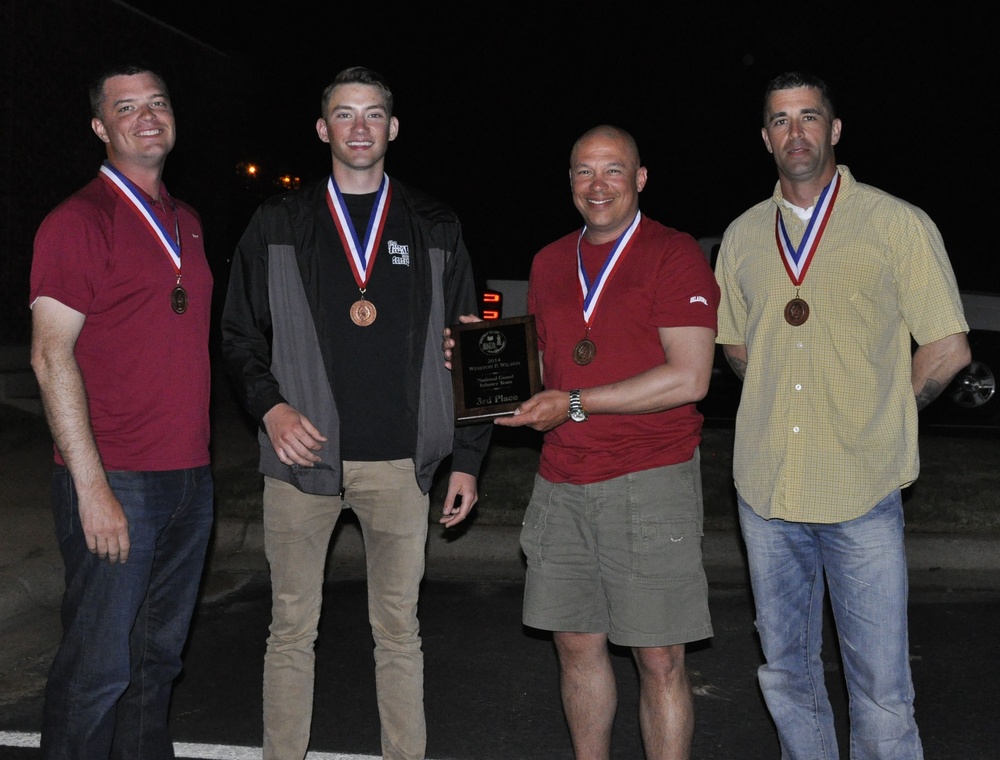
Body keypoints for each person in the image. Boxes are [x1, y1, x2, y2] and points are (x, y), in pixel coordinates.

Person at [220, 65, 490, 760]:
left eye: (373, 115)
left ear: (393, 128)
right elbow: (237, 334)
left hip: (402, 463)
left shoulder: (435, 225)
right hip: (300, 461)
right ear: (322, 129)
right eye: (345, 114)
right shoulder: (279, 222)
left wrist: (467, 458)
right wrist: (271, 409)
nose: (360, 127)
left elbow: (474, 352)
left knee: (399, 632)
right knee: (290, 629)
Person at [714, 71, 972, 759]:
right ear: (765, 137)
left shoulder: (896, 224)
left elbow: (947, 349)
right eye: (779, 120)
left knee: (881, 690)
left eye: (808, 117)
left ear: (834, 129)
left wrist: (886, 415)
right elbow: (736, 346)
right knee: (788, 674)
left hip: (861, 493)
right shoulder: (740, 238)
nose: (794, 131)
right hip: (767, 497)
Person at [449, 125, 719, 759]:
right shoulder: (548, 261)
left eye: (613, 171)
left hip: (650, 478)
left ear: (640, 178)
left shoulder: (674, 253)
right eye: (583, 172)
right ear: (568, 181)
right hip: (563, 481)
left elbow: (690, 376)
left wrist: (574, 404)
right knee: (575, 644)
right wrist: (477, 357)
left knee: (659, 658)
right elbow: (547, 365)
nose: (597, 186)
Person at [29, 65, 215, 759]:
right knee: (97, 670)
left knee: (155, 663)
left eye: (157, 102)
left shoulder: (187, 223)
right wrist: (92, 487)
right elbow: (51, 358)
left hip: (188, 480)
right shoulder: (79, 221)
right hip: (119, 482)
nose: (146, 116)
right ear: (101, 127)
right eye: (126, 107)